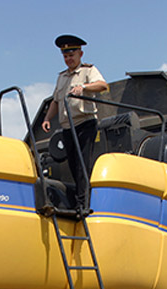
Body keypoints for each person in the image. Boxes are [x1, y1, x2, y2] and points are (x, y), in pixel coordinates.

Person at [42, 34, 108, 212]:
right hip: (67, 126)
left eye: (71, 55)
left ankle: (84, 205)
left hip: (85, 123)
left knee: (82, 164)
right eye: (65, 56)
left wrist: (84, 87)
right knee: (72, 165)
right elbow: (56, 100)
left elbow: (103, 85)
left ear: (80, 54)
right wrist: (47, 118)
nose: (68, 59)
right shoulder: (62, 77)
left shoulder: (88, 70)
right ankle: (78, 201)